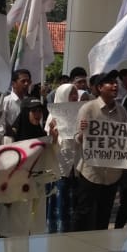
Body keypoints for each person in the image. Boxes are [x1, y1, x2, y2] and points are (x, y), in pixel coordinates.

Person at [72, 72, 127, 232]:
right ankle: (74, 246)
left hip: (112, 174)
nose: (115, 86)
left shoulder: (122, 112)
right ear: (99, 88)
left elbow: (124, 140)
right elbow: (77, 138)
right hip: (91, 172)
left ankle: (99, 250)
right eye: (110, 83)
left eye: (116, 82)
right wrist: (83, 134)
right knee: (84, 213)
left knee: (104, 215)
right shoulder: (88, 109)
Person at [0, 98, 56, 237]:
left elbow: (48, 160)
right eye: (33, 111)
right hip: (15, 191)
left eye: (40, 111)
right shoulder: (12, 137)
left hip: (34, 190)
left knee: (28, 230)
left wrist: (52, 140)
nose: (37, 114)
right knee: (12, 232)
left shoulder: (40, 135)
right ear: (25, 112)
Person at [45, 83, 81, 233]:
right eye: (70, 93)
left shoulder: (81, 114)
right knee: (59, 203)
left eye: (75, 93)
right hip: (59, 168)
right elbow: (48, 144)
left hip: (76, 167)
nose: (74, 96)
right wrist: (54, 135)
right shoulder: (53, 117)